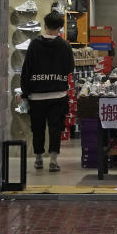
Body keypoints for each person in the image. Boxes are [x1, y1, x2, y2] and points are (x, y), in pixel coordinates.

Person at [20, 11, 74, 172]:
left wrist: (24, 92)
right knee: (55, 128)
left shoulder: (34, 44)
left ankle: (38, 159)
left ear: (45, 26)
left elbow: (26, 70)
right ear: (61, 27)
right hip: (58, 94)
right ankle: (53, 160)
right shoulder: (64, 46)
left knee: (38, 128)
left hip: (36, 95)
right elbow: (69, 68)